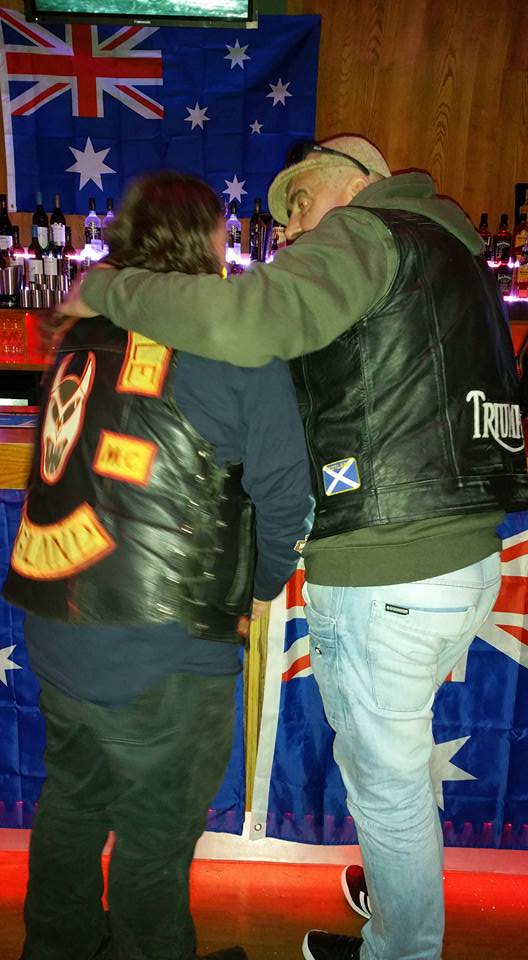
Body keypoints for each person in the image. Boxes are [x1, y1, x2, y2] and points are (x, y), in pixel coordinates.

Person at [56, 137, 528, 960]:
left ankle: (401, 948)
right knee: (393, 776)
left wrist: (107, 286)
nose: (293, 230)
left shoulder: (366, 231)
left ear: (354, 184)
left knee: (386, 789)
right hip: (461, 557)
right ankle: (395, 924)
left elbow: (248, 324)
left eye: (301, 204)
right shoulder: (453, 254)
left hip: (388, 566)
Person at [2, 170, 312, 960]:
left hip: (58, 624)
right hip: (165, 640)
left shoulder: (78, 336)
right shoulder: (238, 347)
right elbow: (287, 499)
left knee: (72, 806)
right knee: (153, 840)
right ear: (207, 240)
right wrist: (258, 592)